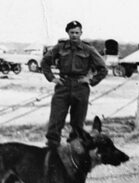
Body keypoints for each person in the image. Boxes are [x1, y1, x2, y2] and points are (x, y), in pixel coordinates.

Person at [41, 20, 108, 148]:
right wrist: (52, 78)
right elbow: (45, 62)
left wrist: (91, 80)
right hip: (63, 85)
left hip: (80, 87)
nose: (74, 35)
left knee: (78, 121)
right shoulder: (59, 47)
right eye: (72, 32)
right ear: (67, 33)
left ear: (81, 33)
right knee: (56, 118)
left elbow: (103, 69)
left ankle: (74, 147)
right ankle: (52, 146)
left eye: (77, 32)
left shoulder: (88, 49)